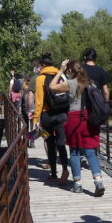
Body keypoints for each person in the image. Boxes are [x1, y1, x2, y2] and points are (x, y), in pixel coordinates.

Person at [49, 59, 105, 196]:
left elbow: (51, 86)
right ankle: (98, 182)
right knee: (91, 152)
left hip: (74, 118)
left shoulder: (70, 83)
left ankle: (77, 184)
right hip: (89, 119)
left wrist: (60, 69)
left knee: (74, 152)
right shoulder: (90, 83)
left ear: (69, 71)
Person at [33, 52, 70, 185]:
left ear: (43, 65)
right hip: (62, 113)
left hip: (46, 116)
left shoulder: (40, 78)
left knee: (49, 142)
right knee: (61, 142)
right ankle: (65, 168)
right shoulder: (61, 75)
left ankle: (53, 174)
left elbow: (39, 101)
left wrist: (35, 119)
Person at [81, 47, 111, 168]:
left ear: (85, 57)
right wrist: (105, 104)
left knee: (82, 131)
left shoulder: (80, 69)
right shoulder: (101, 71)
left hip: (82, 104)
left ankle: (82, 155)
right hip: (96, 106)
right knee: (94, 132)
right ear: (95, 58)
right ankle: (93, 156)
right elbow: (106, 91)